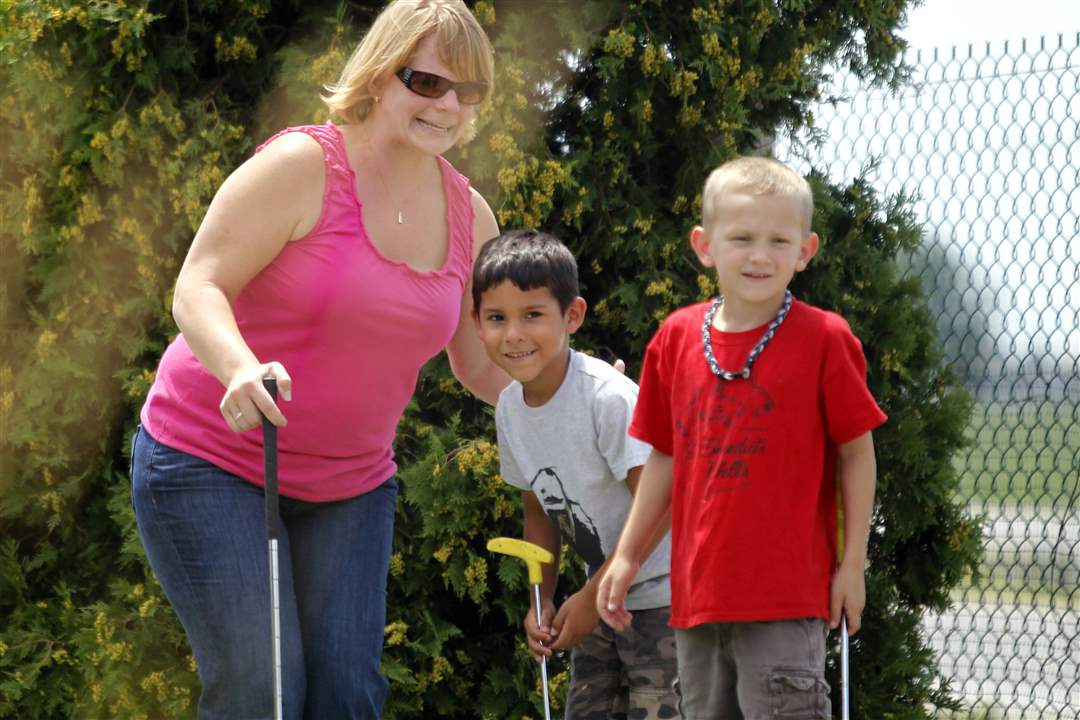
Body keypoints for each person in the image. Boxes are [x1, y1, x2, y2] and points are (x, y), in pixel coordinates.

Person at [130, 2, 506, 717]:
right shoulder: (303, 166)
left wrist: (577, 390)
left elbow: (481, 366)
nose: (450, 105)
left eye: (470, 91)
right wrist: (239, 366)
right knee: (263, 693)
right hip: (215, 460)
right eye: (428, 82)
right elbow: (200, 283)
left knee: (347, 698)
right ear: (379, 73)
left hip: (353, 487)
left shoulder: (471, 217)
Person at [596, 156, 888, 718]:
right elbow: (665, 458)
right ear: (705, 245)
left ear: (806, 252)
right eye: (742, 237)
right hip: (697, 604)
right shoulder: (675, 339)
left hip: (785, 603)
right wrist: (628, 555)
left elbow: (857, 452)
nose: (760, 255)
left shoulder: (826, 339)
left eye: (780, 240)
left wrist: (853, 565)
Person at [472, 229, 681, 719]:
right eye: (497, 318)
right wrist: (541, 601)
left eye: (533, 315)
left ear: (573, 315)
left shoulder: (606, 399)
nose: (514, 334)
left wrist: (593, 595)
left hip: (670, 602)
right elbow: (538, 514)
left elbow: (666, 503)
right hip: (604, 596)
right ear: (477, 324)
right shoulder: (508, 409)